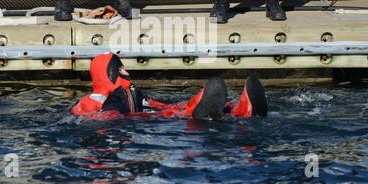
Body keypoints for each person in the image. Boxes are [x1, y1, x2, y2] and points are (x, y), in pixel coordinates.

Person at [71, 52, 268, 120]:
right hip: (140, 123)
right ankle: (198, 112)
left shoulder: (132, 92)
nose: (125, 71)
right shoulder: (106, 98)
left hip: (151, 119)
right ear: (112, 71)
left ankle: (234, 110)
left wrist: (180, 105)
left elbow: (157, 105)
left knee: (173, 109)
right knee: (175, 114)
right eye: (120, 67)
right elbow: (105, 117)